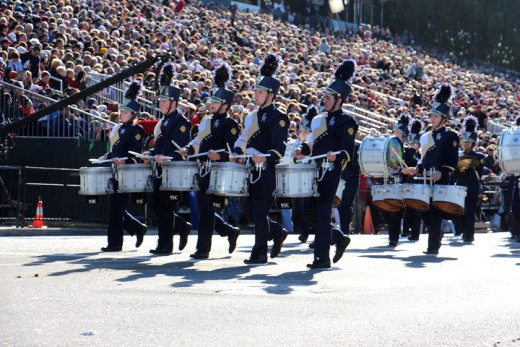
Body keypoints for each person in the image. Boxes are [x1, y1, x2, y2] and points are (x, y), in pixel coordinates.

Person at [294, 60, 358, 269]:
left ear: (339, 100)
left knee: (322, 212)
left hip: (332, 172)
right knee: (308, 211)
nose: (324, 100)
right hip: (315, 170)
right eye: (324, 97)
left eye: (328, 98)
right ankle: (338, 238)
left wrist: (336, 156)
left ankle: (322, 258)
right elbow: (311, 143)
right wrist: (302, 150)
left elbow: (348, 151)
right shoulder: (318, 120)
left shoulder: (347, 122)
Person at [231, 54, 289, 265]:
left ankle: (260, 252)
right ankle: (277, 232)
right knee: (249, 209)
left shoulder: (279, 117)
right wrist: (237, 152)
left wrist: (263, 158)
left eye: (260, 91)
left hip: (267, 169)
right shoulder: (251, 115)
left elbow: (279, 148)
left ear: (271, 95)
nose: (256, 94)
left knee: (259, 209)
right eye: (256, 90)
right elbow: (243, 137)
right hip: (250, 169)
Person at [181, 63, 240, 260]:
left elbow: (234, 152)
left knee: (206, 208)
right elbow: (197, 141)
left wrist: (221, 156)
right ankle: (229, 232)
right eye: (211, 100)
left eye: (216, 101)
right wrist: (188, 149)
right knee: (203, 207)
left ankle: (203, 249)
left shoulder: (231, 124)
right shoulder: (206, 121)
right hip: (204, 168)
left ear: (225, 105)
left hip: (218, 170)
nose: (211, 103)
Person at [402, 84, 459, 255]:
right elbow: (424, 159)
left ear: (444, 118)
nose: (432, 118)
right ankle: (437, 233)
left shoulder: (451, 136)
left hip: (441, 177)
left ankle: (432, 246)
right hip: (425, 177)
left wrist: (441, 171)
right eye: (432, 115)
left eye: (436, 116)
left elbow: (452, 161)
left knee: (435, 212)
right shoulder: (426, 136)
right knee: (422, 209)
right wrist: (415, 169)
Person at [98, 80, 148, 252]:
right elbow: (117, 149)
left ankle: (115, 243)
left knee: (116, 211)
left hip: (127, 173)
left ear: (133, 114)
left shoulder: (136, 130)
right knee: (114, 209)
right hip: (116, 171)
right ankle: (137, 228)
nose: (122, 114)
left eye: (126, 111)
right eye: (122, 111)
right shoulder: (119, 128)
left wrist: (124, 161)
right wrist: (108, 156)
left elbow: (135, 154)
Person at [149, 63, 192, 255]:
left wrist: (165, 158)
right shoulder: (164, 120)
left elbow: (180, 150)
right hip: (160, 167)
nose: (161, 103)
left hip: (172, 170)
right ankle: (181, 226)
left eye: (164, 101)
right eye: (160, 100)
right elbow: (160, 145)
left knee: (166, 208)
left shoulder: (181, 122)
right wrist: (150, 155)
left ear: (174, 102)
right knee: (157, 207)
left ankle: (165, 245)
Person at [381, 114, 411, 247]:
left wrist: (406, 170)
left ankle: (393, 238)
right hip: (388, 180)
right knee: (384, 208)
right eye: (395, 132)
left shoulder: (409, 151)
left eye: (399, 134)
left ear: (404, 137)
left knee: (397, 211)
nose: (395, 136)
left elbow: (411, 167)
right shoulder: (388, 146)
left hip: (401, 182)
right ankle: (395, 232)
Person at [453, 116, 484, 243]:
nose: (465, 143)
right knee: (456, 210)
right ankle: (460, 230)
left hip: (472, 185)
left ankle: (469, 235)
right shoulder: (457, 155)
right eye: (464, 141)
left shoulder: (479, 155)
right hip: (459, 185)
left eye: (469, 141)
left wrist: (463, 163)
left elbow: (477, 169)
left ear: (473, 143)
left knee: (470, 211)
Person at [402, 118, 423, 241]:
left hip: (417, 183)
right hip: (409, 182)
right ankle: (406, 232)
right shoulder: (408, 152)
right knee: (409, 209)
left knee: (414, 209)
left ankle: (413, 234)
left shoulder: (419, 154)